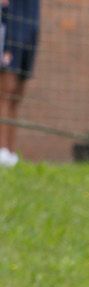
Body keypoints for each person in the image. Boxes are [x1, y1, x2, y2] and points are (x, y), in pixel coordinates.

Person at [0, 0, 41, 167]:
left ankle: (10, 151)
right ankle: (1, 149)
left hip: (30, 28)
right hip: (11, 30)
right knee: (5, 92)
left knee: (18, 94)